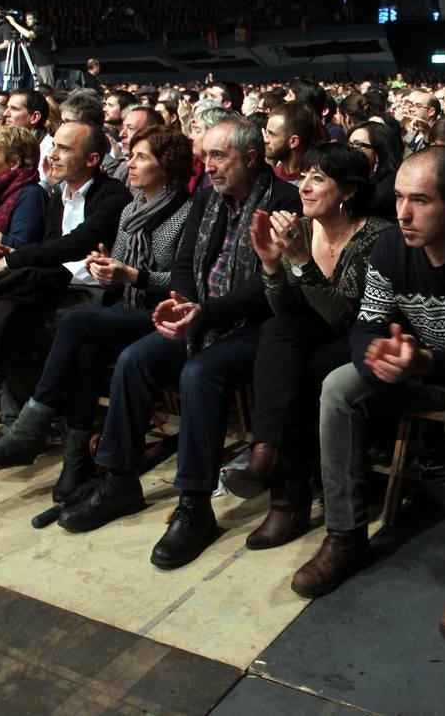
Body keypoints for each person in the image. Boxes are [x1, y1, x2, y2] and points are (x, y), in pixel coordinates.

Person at [290, 145, 445, 642]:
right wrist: (378, 359)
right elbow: (365, 328)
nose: (402, 213)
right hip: (419, 368)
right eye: (399, 198)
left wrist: (423, 361)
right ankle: (346, 536)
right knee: (339, 385)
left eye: (420, 200)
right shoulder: (391, 248)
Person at [52, 118, 300, 569]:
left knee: (199, 373)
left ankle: (194, 505)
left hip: (255, 326)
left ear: (249, 157)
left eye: (218, 157)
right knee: (135, 358)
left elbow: (271, 285)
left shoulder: (284, 200)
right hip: (201, 315)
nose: (207, 168)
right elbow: (186, 260)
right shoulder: (207, 196)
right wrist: (183, 303)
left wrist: (204, 314)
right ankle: (120, 479)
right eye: (204, 157)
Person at [0, 127, 194, 495]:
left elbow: (183, 284)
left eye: (141, 157)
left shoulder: (185, 213)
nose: (129, 163)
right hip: (124, 304)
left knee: (77, 321)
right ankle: (75, 462)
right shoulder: (133, 208)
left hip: (160, 313)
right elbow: (115, 265)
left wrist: (130, 274)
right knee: (85, 351)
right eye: (130, 155)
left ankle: (29, 427)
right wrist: (106, 266)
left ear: (167, 167)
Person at [0, 120, 129, 436]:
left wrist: (11, 261)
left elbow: (74, 245)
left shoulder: (111, 195)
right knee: (3, 305)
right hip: (54, 287)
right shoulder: (58, 196)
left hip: (93, 292)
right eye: (54, 145)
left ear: (92, 160)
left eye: (64, 148)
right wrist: (6, 257)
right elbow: (45, 249)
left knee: (10, 318)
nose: (53, 155)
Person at [223, 145, 389, 548]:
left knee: (308, 371)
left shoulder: (377, 237)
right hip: (312, 336)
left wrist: (299, 261)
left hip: (362, 337)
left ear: (348, 191)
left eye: (318, 179)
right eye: (304, 178)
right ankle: (265, 453)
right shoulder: (304, 231)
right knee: (278, 330)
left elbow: (347, 319)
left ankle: (287, 499)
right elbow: (287, 308)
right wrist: (270, 265)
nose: (304, 188)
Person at [347, 121, 404, 221]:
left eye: (357, 145)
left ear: (379, 152)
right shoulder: (357, 180)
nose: (349, 150)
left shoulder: (387, 192)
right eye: (349, 144)